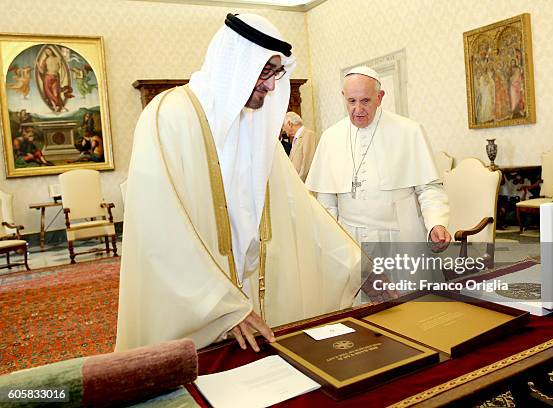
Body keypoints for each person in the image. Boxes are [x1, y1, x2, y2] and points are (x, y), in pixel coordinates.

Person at [116, 14, 365, 353]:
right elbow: (158, 227)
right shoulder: (168, 117)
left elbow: (298, 205)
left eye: (277, 73)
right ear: (235, 63)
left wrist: (355, 264)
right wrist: (221, 307)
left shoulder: (256, 128)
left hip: (255, 302)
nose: (273, 86)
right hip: (194, 309)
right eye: (265, 72)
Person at [306, 66, 451, 247]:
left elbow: (428, 188)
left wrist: (436, 223)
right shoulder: (330, 137)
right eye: (351, 101)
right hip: (349, 239)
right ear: (343, 96)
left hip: (400, 238)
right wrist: (329, 241)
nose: (358, 109)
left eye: (365, 101)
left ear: (380, 97)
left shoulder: (409, 131)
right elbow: (326, 199)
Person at [283, 111, 320, 181]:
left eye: (283, 126)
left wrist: (299, 185)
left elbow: (307, 164)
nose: (283, 130)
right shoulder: (295, 139)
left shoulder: (308, 135)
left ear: (289, 124)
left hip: (303, 185)